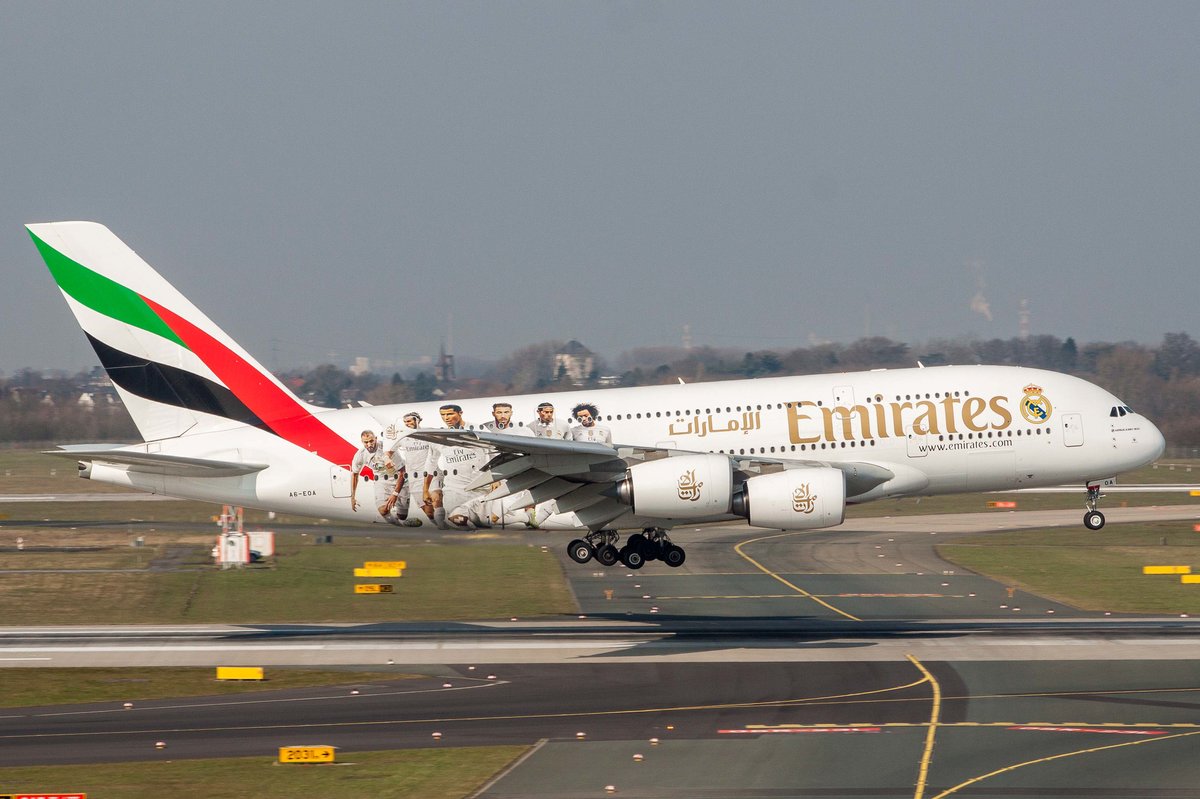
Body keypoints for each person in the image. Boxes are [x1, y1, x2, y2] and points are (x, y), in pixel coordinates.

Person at [423, 404, 488, 529]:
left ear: (460, 413)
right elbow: (430, 464)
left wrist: (496, 478)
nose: (446, 418)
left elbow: (495, 451)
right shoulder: (438, 437)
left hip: (480, 487)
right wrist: (425, 490)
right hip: (454, 489)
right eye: (443, 415)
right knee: (458, 522)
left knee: (484, 523)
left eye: (450, 414)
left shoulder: (478, 430)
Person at [350, 429, 413, 526]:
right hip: (382, 482)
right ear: (362, 442)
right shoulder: (360, 455)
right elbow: (354, 474)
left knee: (403, 515)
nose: (369, 444)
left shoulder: (387, 449)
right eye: (366, 442)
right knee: (383, 511)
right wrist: (353, 497)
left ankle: (401, 520)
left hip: (398, 480)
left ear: (376, 439)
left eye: (371, 441)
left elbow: (402, 471)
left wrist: (395, 494)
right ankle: (399, 526)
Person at [386, 411, 433, 523]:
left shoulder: (428, 433)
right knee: (430, 513)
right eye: (405, 422)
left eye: (409, 421)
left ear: (417, 420)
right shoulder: (403, 437)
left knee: (437, 506)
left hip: (431, 477)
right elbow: (389, 450)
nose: (407, 423)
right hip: (415, 479)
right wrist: (387, 458)